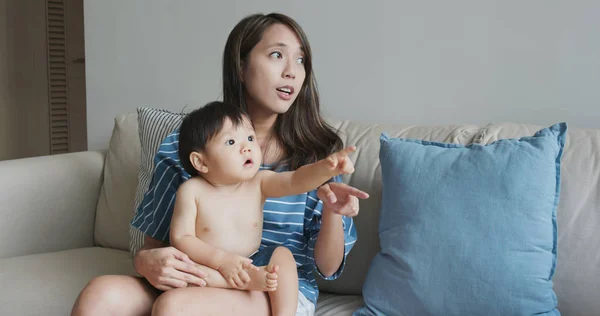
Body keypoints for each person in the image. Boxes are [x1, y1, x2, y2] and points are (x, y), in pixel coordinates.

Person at [71, 12, 369, 316]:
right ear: (241, 67)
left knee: (176, 307)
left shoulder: (317, 160)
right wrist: (147, 263)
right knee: (98, 296)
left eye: (301, 60)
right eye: (277, 55)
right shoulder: (185, 148)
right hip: (201, 277)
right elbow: (155, 245)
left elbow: (328, 266)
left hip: (271, 290)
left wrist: (333, 211)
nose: (292, 71)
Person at [171, 100, 357, 315]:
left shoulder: (258, 182)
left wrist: (326, 168)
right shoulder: (191, 191)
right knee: (186, 275)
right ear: (201, 162)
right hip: (209, 267)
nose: (247, 147)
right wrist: (221, 261)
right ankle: (241, 282)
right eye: (231, 142)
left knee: (282, 257)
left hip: (255, 260)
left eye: (250, 138)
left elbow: (296, 180)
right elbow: (181, 237)